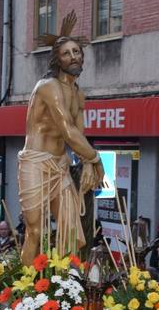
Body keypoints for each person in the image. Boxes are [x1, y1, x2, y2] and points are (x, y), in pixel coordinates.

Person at [18, 25, 104, 260]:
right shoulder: (48, 87)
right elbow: (67, 129)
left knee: (70, 228)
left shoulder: (77, 93)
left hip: (59, 165)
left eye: (76, 51)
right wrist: (95, 159)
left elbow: (78, 133)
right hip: (35, 163)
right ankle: (24, 289)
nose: (73, 56)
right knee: (35, 230)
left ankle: (66, 286)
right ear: (57, 59)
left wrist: (87, 163)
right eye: (66, 53)